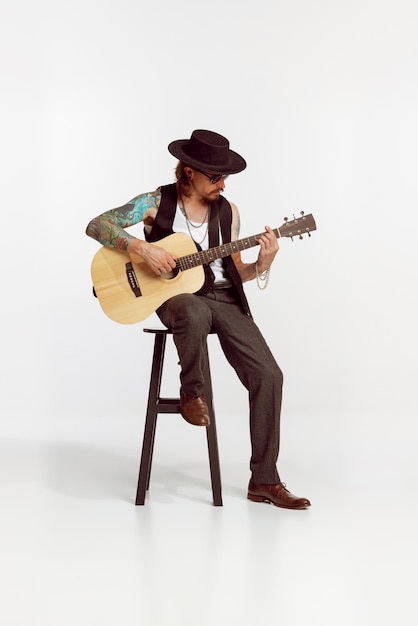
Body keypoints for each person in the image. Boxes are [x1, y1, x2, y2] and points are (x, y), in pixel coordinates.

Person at [86, 129, 310, 510]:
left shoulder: (229, 212)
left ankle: (265, 481)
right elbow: (98, 225)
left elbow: (235, 272)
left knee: (269, 375)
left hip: (224, 298)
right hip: (173, 297)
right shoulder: (156, 202)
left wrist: (263, 263)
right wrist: (141, 247)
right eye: (215, 177)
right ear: (189, 171)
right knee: (192, 307)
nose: (223, 184)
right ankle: (192, 391)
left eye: (225, 178)